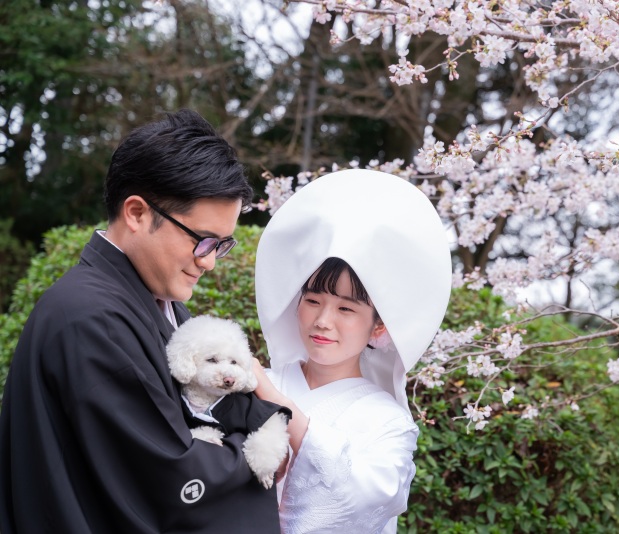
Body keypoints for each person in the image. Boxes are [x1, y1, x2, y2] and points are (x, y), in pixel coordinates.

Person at [0, 109, 285, 533]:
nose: (208, 262)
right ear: (136, 212)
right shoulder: (89, 318)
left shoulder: (152, 301)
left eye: (221, 245)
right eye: (202, 241)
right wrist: (261, 442)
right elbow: (164, 477)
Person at [252, 169, 453, 533]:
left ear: (378, 326)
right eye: (313, 301)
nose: (322, 321)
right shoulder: (256, 382)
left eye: (346, 309)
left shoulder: (389, 422)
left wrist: (276, 403)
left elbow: (366, 501)